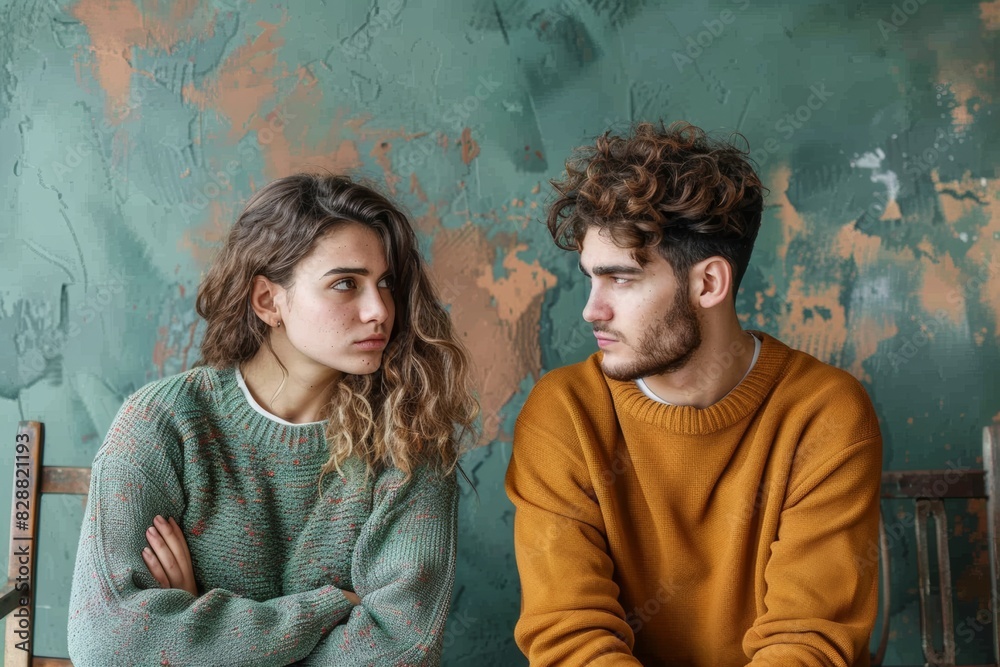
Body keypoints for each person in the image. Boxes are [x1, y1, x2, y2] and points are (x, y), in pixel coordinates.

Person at [505, 122, 882, 666]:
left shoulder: (823, 412)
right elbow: (571, 636)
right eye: (591, 278)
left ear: (709, 284)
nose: (592, 310)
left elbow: (808, 641)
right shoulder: (565, 412)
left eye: (622, 280)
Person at [68, 173, 478, 666]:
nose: (379, 310)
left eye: (385, 283)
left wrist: (199, 629)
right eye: (345, 283)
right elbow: (111, 644)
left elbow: (397, 652)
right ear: (268, 301)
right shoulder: (163, 425)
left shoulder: (411, 439)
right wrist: (326, 610)